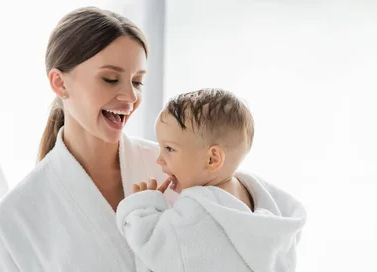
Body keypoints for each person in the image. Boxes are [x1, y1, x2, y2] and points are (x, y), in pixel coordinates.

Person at [0, 6, 174, 271]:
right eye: (110, 79)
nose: (131, 97)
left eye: (137, 82)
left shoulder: (172, 169)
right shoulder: (19, 213)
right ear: (60, 83)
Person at [116, 88, 306, 272]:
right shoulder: (263, 200)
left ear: (212, 159)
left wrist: (142, 207)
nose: (159, 159)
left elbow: (156, 246)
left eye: (170, 149)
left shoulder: (199, 209)